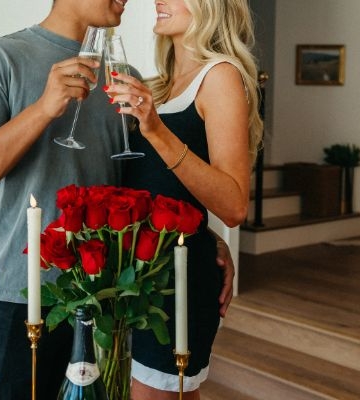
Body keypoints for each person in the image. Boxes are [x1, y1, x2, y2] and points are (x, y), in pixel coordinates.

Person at [0, 1, 238, 398]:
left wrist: (204, 238)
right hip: (24, 296)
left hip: (109, 302)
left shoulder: (125, 78)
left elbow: (143, 182)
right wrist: (44, 108)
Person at [105, 0, 263, 398]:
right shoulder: (157, 84)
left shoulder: (221, 76)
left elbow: (234, 205)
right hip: (134, 277)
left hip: (176, 284)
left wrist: (155, 129)